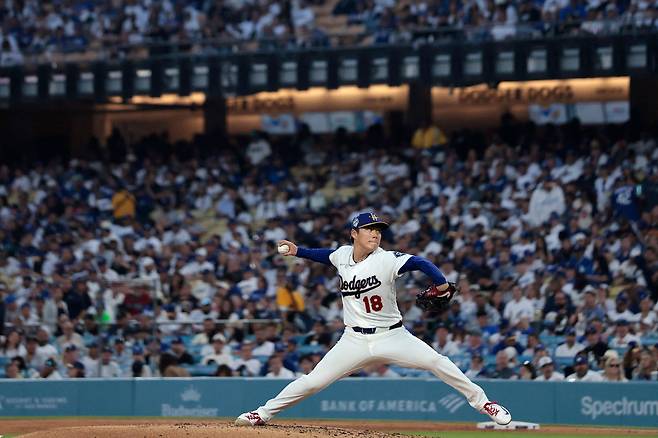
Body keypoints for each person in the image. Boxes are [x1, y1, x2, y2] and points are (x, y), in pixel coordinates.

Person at [236, 212, 512, 426]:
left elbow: (420, 262)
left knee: (438, 362)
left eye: (379, 230)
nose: (376, 234)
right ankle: (261, 414)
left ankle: (485, 404)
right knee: (312, 382)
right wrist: (299, 252)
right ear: (354, 233)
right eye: (370, 229)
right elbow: (325, 256)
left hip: (392, 335)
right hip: (353, 339)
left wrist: (440, 284)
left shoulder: (386, 259)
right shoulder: (343, 254)